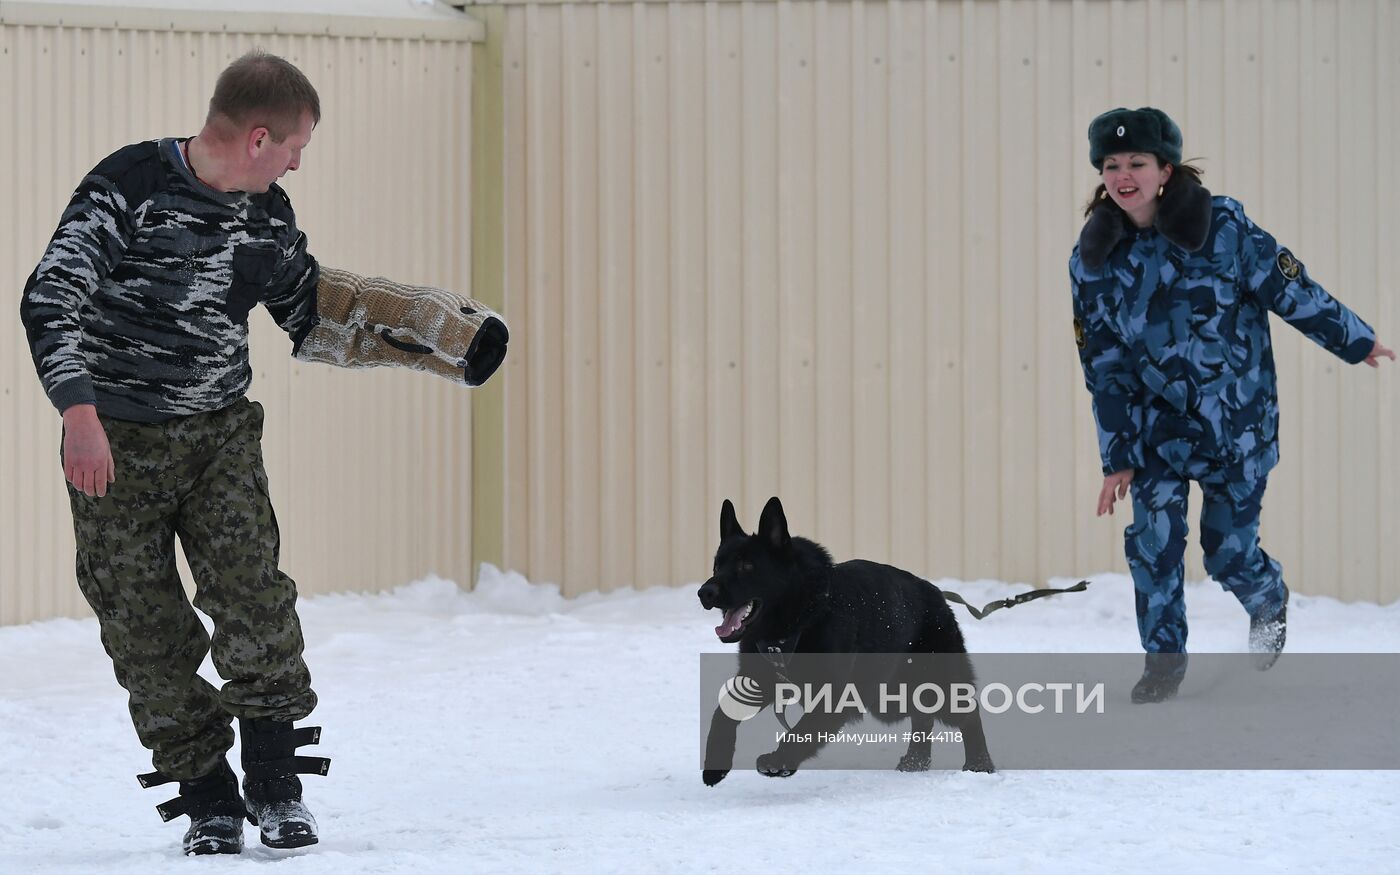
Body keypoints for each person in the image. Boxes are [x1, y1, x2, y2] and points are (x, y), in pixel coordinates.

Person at [19, 51, 506, 855]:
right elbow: (52, 295)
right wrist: (78, 411)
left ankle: (278, 790)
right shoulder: (128, 188)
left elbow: (315, 311)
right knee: (143, 629)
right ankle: (208, 797)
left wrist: (442, 337)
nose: (297, 162)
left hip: (218, 441)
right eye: (294, 146)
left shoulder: (265, 215)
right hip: (116, 448)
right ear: (256, 137)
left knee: (254, 602)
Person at [1068, 107, 1393, 704]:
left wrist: (1356, 339)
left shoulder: (1223, 229)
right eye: (1112, 165)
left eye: (1137, 162)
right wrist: (1117, 455)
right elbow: (1104, 365)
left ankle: (1268, 597)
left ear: (1165, 168)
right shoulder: (1094, 258)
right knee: (1154, 541)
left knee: (1227, 554)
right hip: (1155, 429)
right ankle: (1163, 663)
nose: (1124, 175)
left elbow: (1290, 287)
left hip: (1234, 425)